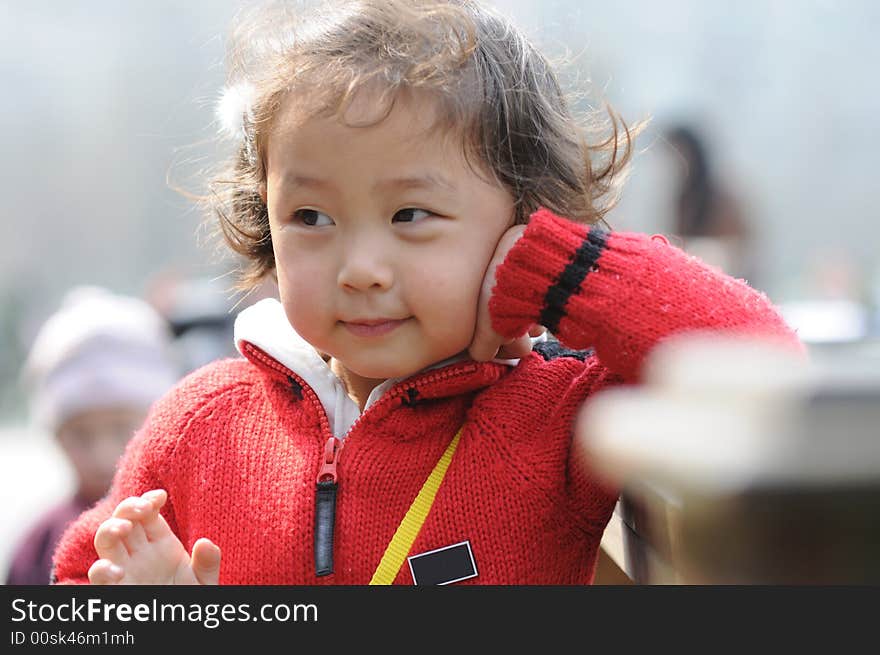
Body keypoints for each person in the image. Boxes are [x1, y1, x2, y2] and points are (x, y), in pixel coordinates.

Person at [51, 0, 801, 586]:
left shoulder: (556, 423)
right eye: (311, 216)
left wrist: (555, 266)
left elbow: (762, 365)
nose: (361, 267)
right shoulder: (197, 427)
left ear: (521, 217)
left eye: (412, 214)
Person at [5, 286, 178, 584]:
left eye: (121, 429)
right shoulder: (39, 545)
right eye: (80, 435)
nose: (102, 454)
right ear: (55, 436)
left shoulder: (183, 531)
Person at [663, 124, 755, 282]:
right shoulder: (682, 198)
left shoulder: (722, 196)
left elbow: (739, 246)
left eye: (679, 153)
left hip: (723, 279)